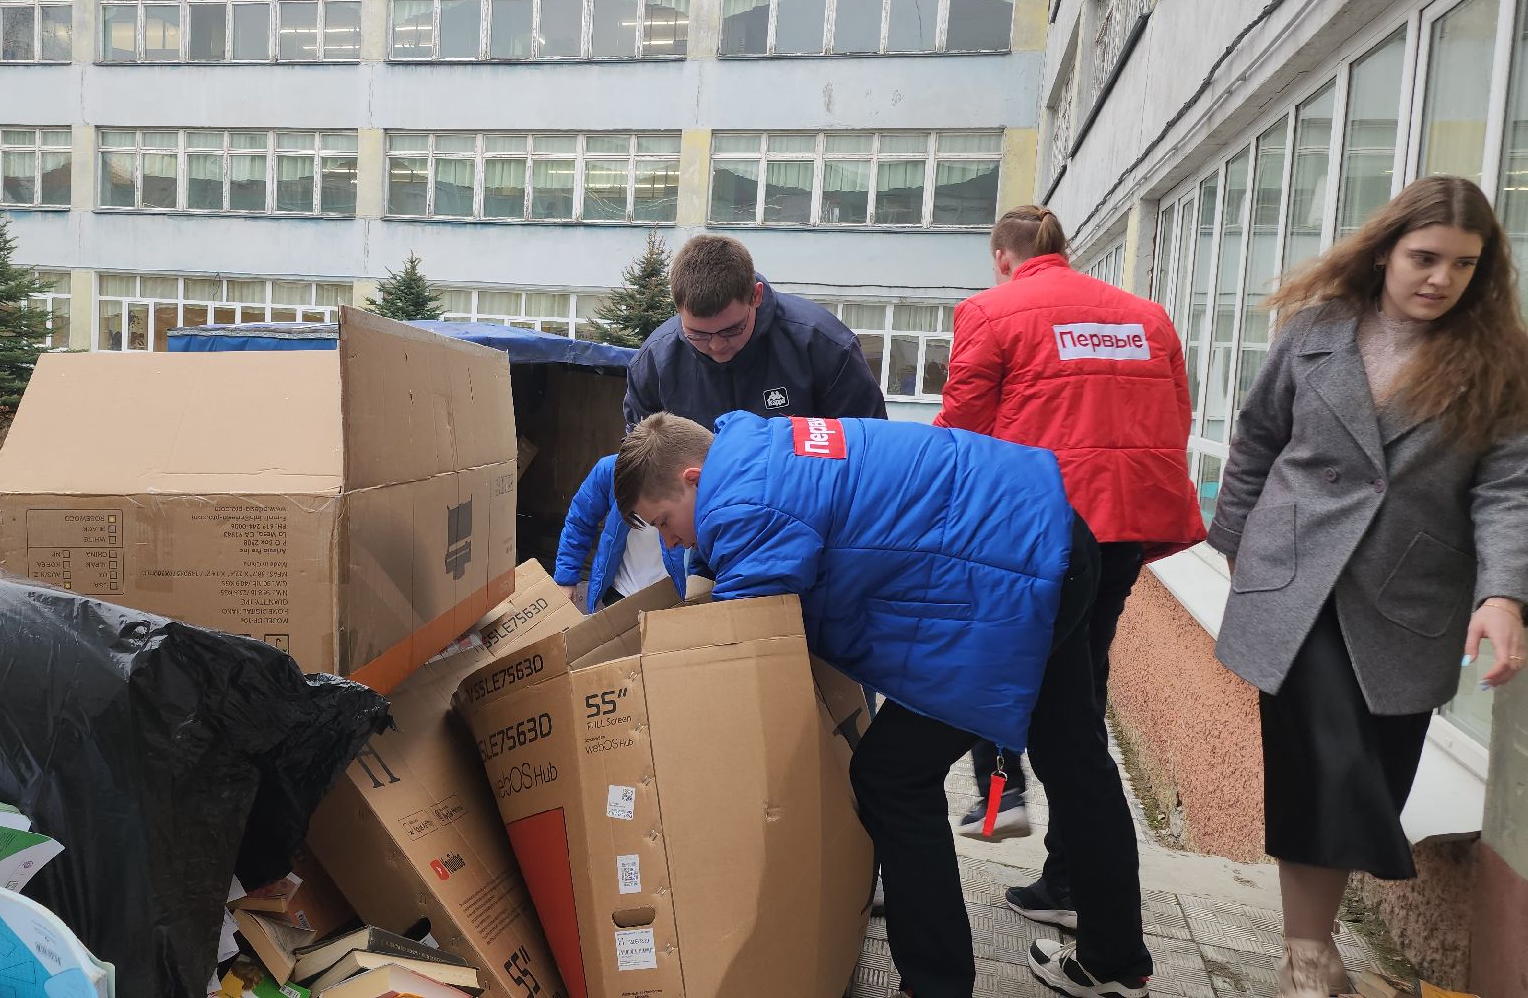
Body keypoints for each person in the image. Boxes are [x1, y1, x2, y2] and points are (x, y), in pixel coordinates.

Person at [615, 411, 1153, 998]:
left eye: (663, 522)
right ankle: (1116, 962)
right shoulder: (755, 447)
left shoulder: (742, 505)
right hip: (1049, 533)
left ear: (694, 478)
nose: (668, 541)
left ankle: (935, 985)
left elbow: (744, 639)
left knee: (891, 777)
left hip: (1007, 582)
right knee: (1077, 763)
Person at [1209, 176, 1528, 998]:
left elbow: (1507, 489)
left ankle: (1309, 943)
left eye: (1464, 264)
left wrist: (1503, 594)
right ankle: (1309, 954)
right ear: (1385, 250)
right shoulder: (1315, 332)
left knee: (1371, 769)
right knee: (1323, 754)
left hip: (1411, 595)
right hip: (1295, 581)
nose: (1440, 278)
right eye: (1424, 257)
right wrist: (1239, 555)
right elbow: (1255, 445)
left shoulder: (1500, 363)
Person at [934, 205, 1205, 930]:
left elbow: (961, 432)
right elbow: (1175, 419)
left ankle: (1009, 804)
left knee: (1029, 695)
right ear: (1066, 248)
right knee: (1080, 696)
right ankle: (1064, 875)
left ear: (1002, 256)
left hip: (1039, 532)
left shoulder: (992, 312)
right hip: (1121, 530)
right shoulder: (1147, 318)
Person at [622, 233, 887, 428]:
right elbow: (642, 463)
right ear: (678, 309)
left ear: (755, 297)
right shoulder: (654, 362)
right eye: (698, 335)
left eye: (731, 330)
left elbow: (868, 448)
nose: (716, 347)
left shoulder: (823, 346)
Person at [552, 453, 691, 612]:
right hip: (620, 595)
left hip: (675, 600)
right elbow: (580, 521)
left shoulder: (691, 471)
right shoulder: (610, 469)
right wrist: (566, 578)